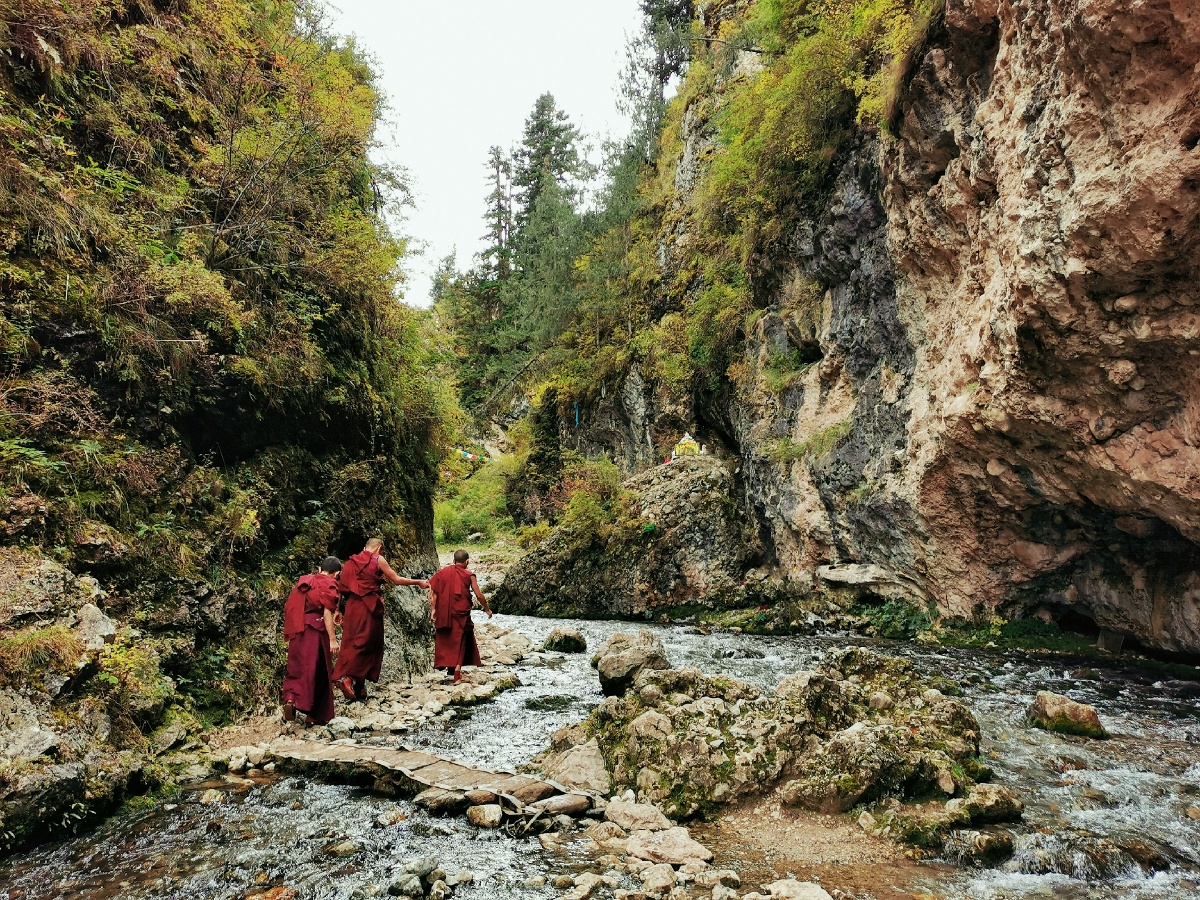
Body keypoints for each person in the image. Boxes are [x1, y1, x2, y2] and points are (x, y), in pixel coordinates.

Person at [332, 537, 429, 701]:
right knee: (369, 643)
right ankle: (347, 678)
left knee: (351, 642)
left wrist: (337, 610)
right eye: (382, 551)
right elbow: (396, 579)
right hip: (369, 607)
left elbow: (340, 587)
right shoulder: (378, 559)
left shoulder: (350, 563)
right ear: (378, 548)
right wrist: (418, 582)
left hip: (351, 607)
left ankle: (360, 687)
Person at [281, 556, 342, 726]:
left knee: (296, 668)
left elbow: (290, 607)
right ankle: (316, 714)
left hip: (298, 629)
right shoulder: (328, 584)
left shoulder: (305, 582)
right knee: (319, 670)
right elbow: (327, 613)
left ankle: (291, 699)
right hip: (316, 631)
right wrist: (332, 639)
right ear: (336, 574)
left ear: (319, 568)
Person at [428, 549, 493, 684]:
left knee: (448, 637)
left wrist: (433, 609)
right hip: (461, 611)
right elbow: (478, 594)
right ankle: (457, 671)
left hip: (444, 610)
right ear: (467, 562)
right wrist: (487, 609)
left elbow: (434, 592)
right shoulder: (469, 574)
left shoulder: (443, 573)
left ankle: (449, 667)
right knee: (460, 639)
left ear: (454, 560)